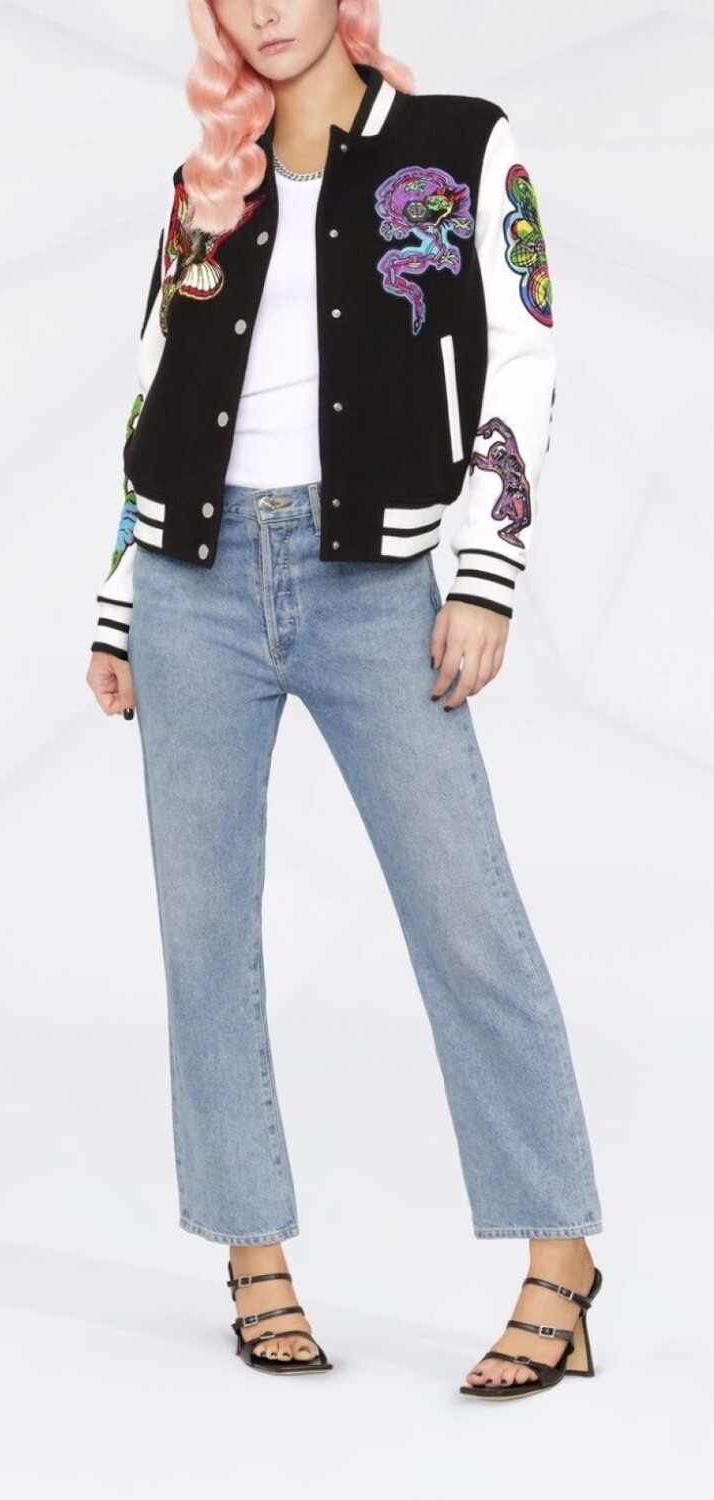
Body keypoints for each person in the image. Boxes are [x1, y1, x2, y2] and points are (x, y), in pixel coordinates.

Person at [84, 0, 604, 1398]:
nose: (262, 9)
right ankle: (252, 1256)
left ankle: (559, 1258)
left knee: (463, 915)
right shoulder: (207, 177)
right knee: (203, 934)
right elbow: (150, 388)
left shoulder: (459, 146)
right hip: (192, 585)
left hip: (375, 588)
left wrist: (485, 575)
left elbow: (524, 359)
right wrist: (119, 601)